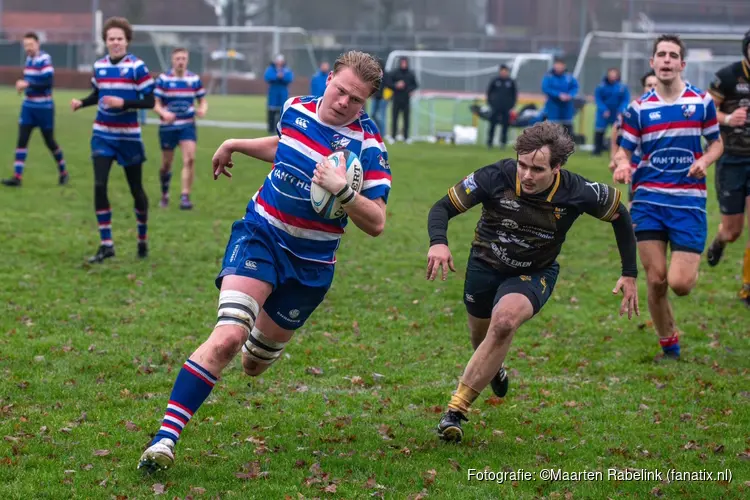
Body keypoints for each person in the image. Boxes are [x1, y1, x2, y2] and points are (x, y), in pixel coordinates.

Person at [137, 50, 391, 473]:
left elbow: (378, 222)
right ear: (328, 79)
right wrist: (234, 143)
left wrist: (343, 191)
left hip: (310, 266)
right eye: (342, 90)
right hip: (262, 235)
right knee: (227, 339)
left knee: (253, 365)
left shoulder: (370, 147)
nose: (345, 102)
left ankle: (257, 324)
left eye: (357, 100)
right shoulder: (295, 109)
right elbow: (282, 147)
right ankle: (165, 439)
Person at [426, 121, 639, 443]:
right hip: (484, 264)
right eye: (522, 165)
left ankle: (455, 412)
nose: (526, 175)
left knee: (504, 323)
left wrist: (629, 272)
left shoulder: (577, 191)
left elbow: (620, 216)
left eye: (537, 169)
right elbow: (442, 208)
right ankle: (493, 368)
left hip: (534, 272)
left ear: (557, 167)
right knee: (480, 336)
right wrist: (438, 242)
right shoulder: (495, 176)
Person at [613, 34, 723, 360]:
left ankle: (682, 284)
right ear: (652, 63)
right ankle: (668, 342)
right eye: (660, 54)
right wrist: (622, 166)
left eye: (672, 55)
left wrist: (704, 160)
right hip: (648, 202)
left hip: (688, 203)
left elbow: (716, 143)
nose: (666, 60)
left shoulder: (701, 102)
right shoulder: (639, 108)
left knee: (681, 284)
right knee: (656, 279)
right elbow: (624, 150)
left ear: (681, 64)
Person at [70, 17, 155, 264]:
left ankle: (142, 238)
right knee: (99, 185)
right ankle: (106, 245)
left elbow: (150, 101)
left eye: (119, 38)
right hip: (103, 134)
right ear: (105, 41)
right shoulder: (99, 66)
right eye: (111, 39)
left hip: (129, 137)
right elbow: (99, 93)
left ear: (126, 41)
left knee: (136, 189)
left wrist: (124, 103)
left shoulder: (137, 67)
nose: (115, 42)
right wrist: (82, 103)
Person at [705, 29, 750, 306]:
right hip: (731, 159)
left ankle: (748, 287)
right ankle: (720, 241)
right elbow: (708, 113)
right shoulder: (728, 76)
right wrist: (729, 117)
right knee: (733, 231)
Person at [2, 32, 68, 187]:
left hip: (44, 108)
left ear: (38, 44)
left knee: (50, 141)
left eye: (31, 45)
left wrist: (27, 85)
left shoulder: (44, 59)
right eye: (25, 46)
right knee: (22, 141)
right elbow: (31, 81)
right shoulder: (29, 60)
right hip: (28, 108)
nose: (28, 48)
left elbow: (48, 82)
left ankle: (63, 172)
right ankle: (17, 177)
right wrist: (23, 85)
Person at [153, 47, 208, 210]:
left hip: (187, 125)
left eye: (183, 58)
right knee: (166, 164)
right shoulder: (163, 79)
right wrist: (163, 112)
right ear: (172, 60)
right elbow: (155, 103)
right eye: (178, 58)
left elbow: (202, 100)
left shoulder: (194, 79)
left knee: (190, 159)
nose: (181, 61)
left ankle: (185, 196)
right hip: (168, 127)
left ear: (187, 60)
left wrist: (202, 109)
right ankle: (164, 194)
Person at [608, 70, 658, 208]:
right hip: (638, 166)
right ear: (644, 88)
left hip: (663, 167)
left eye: (656, 84)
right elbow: (617, 130)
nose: (653, 88)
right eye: (649, 85)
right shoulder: (634, 109)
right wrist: (614, 157)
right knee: (635, 207)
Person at [594, 68, 630, 156]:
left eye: (614, 74)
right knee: (600, 130)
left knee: (618, 131)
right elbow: (598, 99)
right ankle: (597, 150)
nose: (612, 76)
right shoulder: (601, 87)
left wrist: (621, 110)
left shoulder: (622, 87)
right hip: (604, 114)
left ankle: (619, 150)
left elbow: (625, 100)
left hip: (617, 113)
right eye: (611, 74)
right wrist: (604, 110)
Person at [541, 57, 579, 137]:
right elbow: (546, 88)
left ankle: (568, 146)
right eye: (557, 65)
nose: (559, 67)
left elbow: (575, 87)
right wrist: (558, 95)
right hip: (553, 105)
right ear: (554, 66)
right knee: (552, 127)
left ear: (564, 66)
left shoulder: (569, 77)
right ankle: (551, 146)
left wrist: (570, 95)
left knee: (567, 126)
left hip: (567, 106)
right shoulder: (548, 77)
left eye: (561, 65)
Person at [386, 56, 418, 143]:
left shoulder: (410, 74)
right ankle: (393, 137)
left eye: (405, 63)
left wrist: (410, 90)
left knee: (406, 119)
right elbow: (388, 83)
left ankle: (406, 137)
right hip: (396, 99)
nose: (403, 64)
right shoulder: (394, 73)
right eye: (402, 62)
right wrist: (396, 85)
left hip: (406, 100)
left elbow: (415, 85)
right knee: (394, 118)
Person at [486, 64, 517, 149]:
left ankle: (503, 143)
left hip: (506, 108)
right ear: (500, 71)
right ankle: (490, 142)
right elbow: (489, 92)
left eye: (505, 71)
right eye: (502, 71)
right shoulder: (495, 81)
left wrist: (512, 105)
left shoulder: (510, 82)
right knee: (492, 124)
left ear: (507, 72)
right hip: (495, 107)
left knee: (505, 126)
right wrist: (491, 103)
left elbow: (514, 94)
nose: (503, 73)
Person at [264, 54, 293, 133]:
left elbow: (289, 78)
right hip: (273, 93)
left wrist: (282, 77)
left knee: (282, 112)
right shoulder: (271, 69)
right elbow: (267, 77)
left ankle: (282, 129)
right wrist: (276, 76)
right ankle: (270, 129)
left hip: (283, 93)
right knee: (272, 111)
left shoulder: (286, 70)